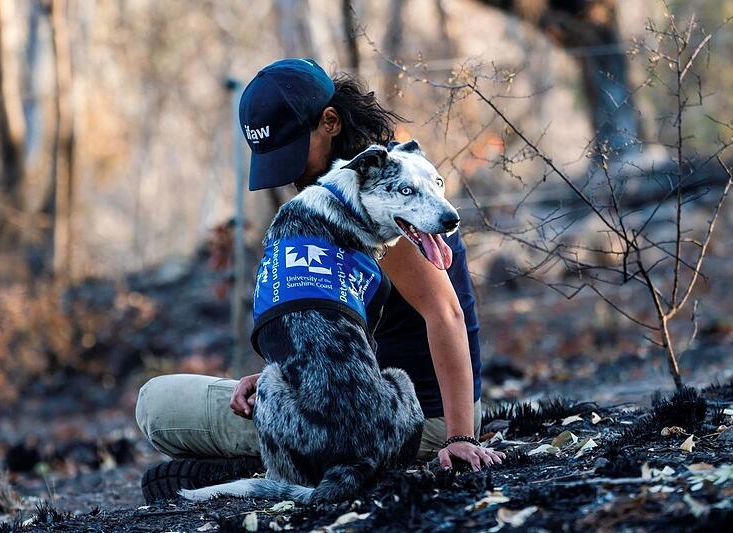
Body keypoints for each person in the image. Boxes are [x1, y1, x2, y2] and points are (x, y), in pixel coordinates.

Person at [135, 58, 502, 503]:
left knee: (157, 405)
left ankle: (276, 471)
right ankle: (280, 461)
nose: (288, 174)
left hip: (406, 424)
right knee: (238, 392)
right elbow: (339, 322)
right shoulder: (390, 175)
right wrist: (288, 368)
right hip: (369, 405)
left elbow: (445, 312)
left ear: (329, 122)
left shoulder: (374, 202)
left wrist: (458, 438)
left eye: (291, 154)